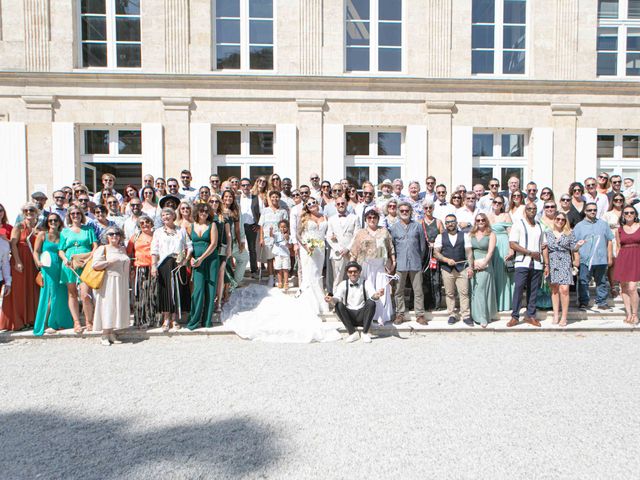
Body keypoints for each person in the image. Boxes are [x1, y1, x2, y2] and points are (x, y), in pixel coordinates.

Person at [349, 208, 395, 324]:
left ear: (378, 219)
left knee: (381, 290)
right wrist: (351, 265)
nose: (372, 219)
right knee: (368, 290)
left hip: (380, 265)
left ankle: (381, 316)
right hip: (366, 264)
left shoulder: (384, 231)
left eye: (374, 217)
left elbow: (390, 247)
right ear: (365, 219)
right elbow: (354, 250)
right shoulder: (361, 233)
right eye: (369, 217)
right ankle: (367, 316)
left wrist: (393, 261)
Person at [151, 207, 193, 332]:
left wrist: (186, 260)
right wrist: (153, 265)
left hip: (178, 263)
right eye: (163, 215)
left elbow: (189, 246)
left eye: (168, 214)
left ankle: (175, 319)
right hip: (164, 263)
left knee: (177, 290)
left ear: (173, 216)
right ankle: (166, 319)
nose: (165, 217)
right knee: (166, 291)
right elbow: (154, 249)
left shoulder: (181, 230)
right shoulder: (158, 232)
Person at [0, 203, 40, 331]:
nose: (29, 212)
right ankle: (18, 321)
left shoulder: (38, 228)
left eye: (32, 210)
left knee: (31, 290)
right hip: (20, 260)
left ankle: (30, 320)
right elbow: (13, 245)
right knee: (19, 291)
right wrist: (17, 261)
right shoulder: (18, 226)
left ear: (36, 212)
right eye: (26, 210)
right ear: (23, 212)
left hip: (32, 262)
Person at [58, 205, 98, 333]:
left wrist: (88, 259)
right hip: (69, 264)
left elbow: (95, 246)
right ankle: (76, 322)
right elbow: (61, 250)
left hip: (85, 263)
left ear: (82, 215)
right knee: (72, 293)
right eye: (73, 214)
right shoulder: (65, 232)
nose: (75, 216)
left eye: (78, 213)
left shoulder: (88, 229)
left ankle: (89, 321)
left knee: (85, 294)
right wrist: (64, 259)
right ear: (69, 216)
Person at [32, 213, 73, 335]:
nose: (53, 222)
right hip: (47, 268)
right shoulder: (42, 235)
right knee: (49, 295)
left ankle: (60, 322)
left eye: (55, 220)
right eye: (50, 221)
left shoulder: (62, 235)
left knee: (61, 294)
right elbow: (36, 251)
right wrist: (38, 262)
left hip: (60, 267)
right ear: (47, 222)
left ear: (60, 222)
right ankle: (48, 324)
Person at [324, 261, 385, 343]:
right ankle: (352, 333)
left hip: (362, 316)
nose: (353, 274)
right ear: (347, 273)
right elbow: (337, 297)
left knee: (371, 303)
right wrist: (331, 299)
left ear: (359, 272)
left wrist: (377, 295)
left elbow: (373, 296)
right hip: (349, 316)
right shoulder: (343, 284)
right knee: (338, 305)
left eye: (355, 271)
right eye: (350, 272)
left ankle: (365, 333)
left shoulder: (366, 283)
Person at [92, 226, 130, 346]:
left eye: (117, 234)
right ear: (106, 236)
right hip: (108, 281)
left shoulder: (122, 249)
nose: (114, 236)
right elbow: (95, 265)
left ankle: (111, 332)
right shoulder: (103, 248)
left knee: (117, 306)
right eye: (111, 234)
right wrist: (108, 262)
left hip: (122, 281)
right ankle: (104, 333)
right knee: (108, 305)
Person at [390, 201, 427, 325]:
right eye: (402, 211)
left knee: (418, 290)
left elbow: (422, 246)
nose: (404, 212)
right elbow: (392, 247)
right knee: (399, 290)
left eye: (407, 210)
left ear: (410, 211)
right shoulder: (394, 228)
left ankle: (420, 314)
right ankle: (400, 314)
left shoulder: (418, 226)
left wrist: (419, 258)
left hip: (415, 262)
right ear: (398, 213)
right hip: (400, 263)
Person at [543, 212, 582, 327]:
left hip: (565, 261)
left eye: (562, 220)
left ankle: (564, 316)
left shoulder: (570, 233)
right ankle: (556, 314)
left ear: (565, 222)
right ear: (554, 220)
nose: (560, 221)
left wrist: (578, 246)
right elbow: (544, 249)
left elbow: (574, 248)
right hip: (552, 261)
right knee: (554, 289)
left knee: (564, 289)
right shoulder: (547, 233)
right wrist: (546, 265)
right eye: (558, 219)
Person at [507, 202, 544, 327]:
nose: (532, 211)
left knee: (533, 290)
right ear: (525, 211)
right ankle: (515, 316)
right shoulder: (518, 224)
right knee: (518, 288)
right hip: (522, 262)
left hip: (537, 263)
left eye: (534, 208)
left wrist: (546, 263)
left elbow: (543, 245)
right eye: (529, 209)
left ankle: (530, 315)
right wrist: (529, 253)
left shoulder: (539, 225)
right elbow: (512, 243)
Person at [433, 214, 473, 326]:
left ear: (456, 222)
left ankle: (466, 315)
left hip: (462, 268)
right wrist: (446, 260)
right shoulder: (440, 236)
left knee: (464, 293)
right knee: (449, 293)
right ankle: (452, 314)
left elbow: (469, 253)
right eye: (447, 222)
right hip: (447, 269)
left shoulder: (464, 235)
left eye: (452, 221)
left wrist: (470, 267)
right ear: (445, 224)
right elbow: (436, 253)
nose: (450, 224)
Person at [573, 202, 613, 310]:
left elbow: (609, 240)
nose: (592, 212)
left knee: (601, 281)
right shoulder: (579, 226)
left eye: (594, 210)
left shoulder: (603, 224)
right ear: (585, 211)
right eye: (590, 210)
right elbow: (574, 244)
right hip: (585, 260)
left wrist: (609, 257)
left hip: (601, 259)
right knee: (583, 282)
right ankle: (583, 302)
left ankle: (602, 301)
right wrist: (576, 258)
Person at [186, 203, 219, 330]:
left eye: (206, 211)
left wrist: (201, 258)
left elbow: (214, 244)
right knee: (198, 290)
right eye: (201, 211)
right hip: (196, 261)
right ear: (197, 212)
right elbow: (189, 244)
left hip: (210, 260)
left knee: (210, 290)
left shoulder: (212, 225)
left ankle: (207, 321)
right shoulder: (191, 226)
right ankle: (194, 320)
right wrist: (191, 258)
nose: (204, 213)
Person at [297, 197, 329, 314]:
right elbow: (298, 234)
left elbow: (328, 233)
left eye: (313, 202)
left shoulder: (324, 216)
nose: (312, 205)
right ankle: (310, 302)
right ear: (307, 207)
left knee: (318, 273)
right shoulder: (304, 218)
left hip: (320, 249)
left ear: (317, 203)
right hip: (308, 250)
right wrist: (306, 246)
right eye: (309, 204)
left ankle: (320, 301)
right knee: (309, 274)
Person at [127, 215, 158, 328]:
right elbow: (129, 253)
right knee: (141, 294)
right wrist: (131, 268)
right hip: (140, 267)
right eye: (142, 223)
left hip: (154, 267)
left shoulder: (156, 235)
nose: (145, 224)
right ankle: (140, 320)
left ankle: (153, 319)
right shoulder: (135, 237)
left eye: (147, 222)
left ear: (151, 223)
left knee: (153, 294)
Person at [325, 196, 359, 293]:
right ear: (335, 206)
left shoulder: (354, 218)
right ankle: (337, 304)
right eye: (338, 204)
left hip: (351, 253)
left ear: (347, 204)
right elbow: (328, 236)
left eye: (342, 203)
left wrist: (347, 249)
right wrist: (339, 249)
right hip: (337, 254)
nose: (341, 205)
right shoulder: (331, 219)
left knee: (353, 278)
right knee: (337, 279)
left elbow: (357, 235)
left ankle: (351, 302)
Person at [487, 195, 515, 311]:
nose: (497, 204)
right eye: (495, 202)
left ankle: (505, 303)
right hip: (491, 246)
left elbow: (511, 233)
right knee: (492, 274)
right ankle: (493, 303)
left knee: (503, 274)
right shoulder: (487, 216)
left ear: (503, 205)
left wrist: (511, 249)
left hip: (503, 244)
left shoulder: (506, 215)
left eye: (500, 202)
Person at [613, 207, 640, 325]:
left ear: (635, 214)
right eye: (626, 213)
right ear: (623, 215)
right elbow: (618, 247)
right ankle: (628, 314)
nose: (629, 214)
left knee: (632, 288)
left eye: (631, 212)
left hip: (636, 258)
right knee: (623, 287)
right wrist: (618, 262)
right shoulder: (619, 230)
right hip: (623, 258)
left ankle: (635, 314)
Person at [470, 213, 497, 328]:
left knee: (481, 288)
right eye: (478, 220)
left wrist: (484, 263)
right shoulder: (471, 234)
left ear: (486, 221)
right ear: (475, 221)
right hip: (473, 264)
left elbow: (491, 251)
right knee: (474, 289)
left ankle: (483, 317)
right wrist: (471, 264)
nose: (480, 222)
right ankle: (475, 315)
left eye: (482, 220)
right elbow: (468, 250)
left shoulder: (491, 234)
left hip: (485, 264)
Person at [258, 191, 289, 287]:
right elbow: (261, 226)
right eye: (273, 197)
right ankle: (271, 277)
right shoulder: (265, 210)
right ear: (270, 198)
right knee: (270, 259)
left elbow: (286, 225)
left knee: (278, 258)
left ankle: (279, 278)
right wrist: (261, 239)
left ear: (279, 198)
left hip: (279, 239)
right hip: (268, 238)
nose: (274, 199)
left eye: (277, 197)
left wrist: (286, 237)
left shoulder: (283, 211)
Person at [222, 189, 248, 287]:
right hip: (222, 243)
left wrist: (241, 242)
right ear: (222, 198)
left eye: (230, 196)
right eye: (226, 196)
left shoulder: (235, 210)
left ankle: (234, 283)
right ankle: (224, 287)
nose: (228, 198)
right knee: (224, 265)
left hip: (233, 242)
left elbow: (238, 228)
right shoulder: (219, 209)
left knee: (244, 258)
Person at [421, 199, 443, 311]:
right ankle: (426, 304)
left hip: (435, 253)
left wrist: (436, 244)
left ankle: (436, 304)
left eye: (430, 207)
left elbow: (443, 237)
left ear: (433, 209)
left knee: (436, 278)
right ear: (423, 209)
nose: (428, 210)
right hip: (424, 253)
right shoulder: (420, 222)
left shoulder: (438, 222)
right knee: (425, 278)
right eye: (426, 208)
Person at [212, 194, 233, 312]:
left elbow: (228, 234)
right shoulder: (205, 216)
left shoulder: (224, 216)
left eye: (216, 201)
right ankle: (211, 299)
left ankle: (218, 302)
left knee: (221, 275)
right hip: (210, 249)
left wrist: (229, 248)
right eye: (211, 201)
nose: (214, 203)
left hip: (222, 249)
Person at [239, 178, 259, 278]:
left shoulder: (256, 198)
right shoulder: (237, 198)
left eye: (247, 185)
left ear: (251, 186)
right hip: (240, 226)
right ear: (240, 187)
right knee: (240, 248)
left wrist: (258, 224)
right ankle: (240, 272)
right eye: (243, 185)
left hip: (252, 226)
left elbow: (261, 212)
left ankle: (254, 270)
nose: (245, 187)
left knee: (252, 249)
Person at [272, 220, 292, 290]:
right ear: (278, 227)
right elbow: (271, 235)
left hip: (285, 255)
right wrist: (270, 230)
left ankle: (286, 283)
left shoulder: (289, 236)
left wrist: (286, 240)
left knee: (285, 269)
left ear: (287, 228)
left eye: (284, 227)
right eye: (281, 227)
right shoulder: (277, 234)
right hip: (278, 255)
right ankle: (280, 282)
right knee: (278, 269)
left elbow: (290, 246)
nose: (283, 229)